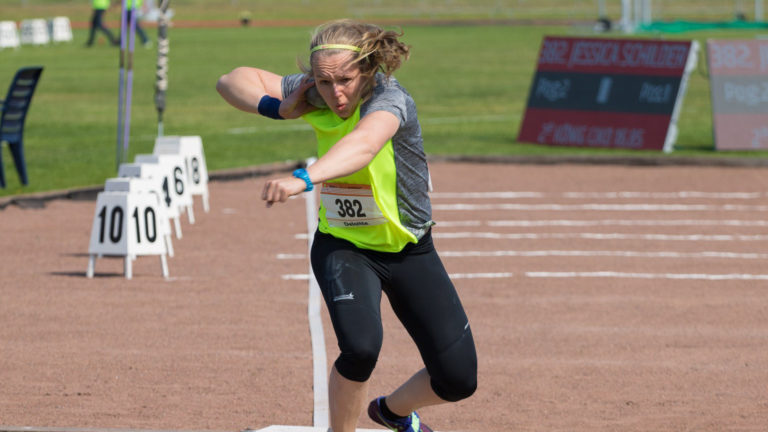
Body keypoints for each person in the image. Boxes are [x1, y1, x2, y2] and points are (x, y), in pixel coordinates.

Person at [216, 19, 477, 432]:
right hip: (344, 246)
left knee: (459, 379)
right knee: (360, 348)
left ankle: (391, 412)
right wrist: (277, 108)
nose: (335, 93)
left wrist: (303, 178)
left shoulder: (390, 99)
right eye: (324, 82)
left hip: (409, 248)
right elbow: (231, 80)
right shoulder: (313, 90)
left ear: (368, 70)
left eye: (345, 80)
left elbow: (364, 144)